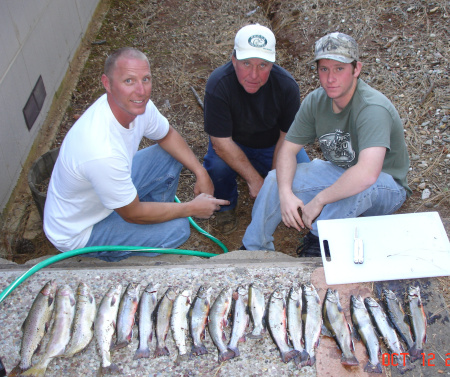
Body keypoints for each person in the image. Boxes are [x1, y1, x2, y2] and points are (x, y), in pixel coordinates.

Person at [44, 47, 228, 262]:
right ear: (107, 83)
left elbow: (167, 135)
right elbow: (132, 213)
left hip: (104, 197)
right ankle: (121, 254)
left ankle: (152, 221)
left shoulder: (137, 106)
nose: (141, 91)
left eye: (146, 79)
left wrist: (201, 172)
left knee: (168, 156)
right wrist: (189, 208)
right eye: (129, 81)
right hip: (82, 229)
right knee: (178, 229)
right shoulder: (101, 151)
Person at [241, 32, 411, 256]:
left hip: (386, 186)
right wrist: (285, 193)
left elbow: (368, 174)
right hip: (340, 172)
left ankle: (319, 241)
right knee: (275, 178)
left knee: (357, 185)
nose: (330, 78)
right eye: (324, 69)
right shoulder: (316, 100)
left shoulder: (372, 108)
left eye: (339, 69)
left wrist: (319, 200)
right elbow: (287, 150)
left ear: (356, 69)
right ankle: (253, 249)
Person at [203, 24, 310, 234]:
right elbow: (221, 143)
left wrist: (273, 178)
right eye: (246, 63)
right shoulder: (218, 84)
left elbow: (287, 138)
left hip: (272, 144)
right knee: (217, 167)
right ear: (233, 60)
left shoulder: (287, 86)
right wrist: (255, 181)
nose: (254, 74)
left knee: (305, 171)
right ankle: (226, 206)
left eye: (263, 65)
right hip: (232, 144)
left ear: (272, 64)